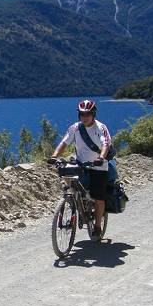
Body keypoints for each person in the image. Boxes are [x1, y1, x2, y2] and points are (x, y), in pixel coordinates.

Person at [50, 99, 111, 239]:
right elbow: (64, 142)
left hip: (98, 167)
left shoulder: (101, 127)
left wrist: (101, 158)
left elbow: (106, 143)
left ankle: (97, 227)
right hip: (81, 164)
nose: (85, 117)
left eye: (88, 114)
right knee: (68, 175)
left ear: (93, 114)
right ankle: (72, 200)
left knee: (99, 197)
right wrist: (54, 156)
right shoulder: (75, 128)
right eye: (82, 114)